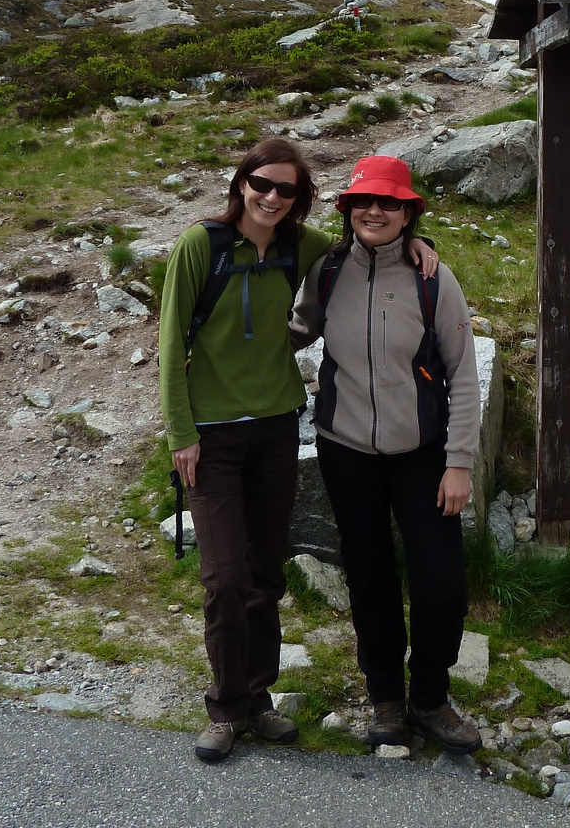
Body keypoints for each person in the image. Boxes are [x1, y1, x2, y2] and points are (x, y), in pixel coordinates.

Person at [157, 139, 437, 763]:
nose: (271, 197)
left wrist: (421, 245)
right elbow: (170, 344)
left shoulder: (300, 246)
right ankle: (226, 707)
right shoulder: (199, 246)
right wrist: (181, 435)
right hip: (212, 435)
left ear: (301, 200)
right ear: (241, 182)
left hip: (280, 425)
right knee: (225, 577)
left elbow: (366, 248)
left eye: (287, 190)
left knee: (264, 572)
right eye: (262, 183)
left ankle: (257, 701)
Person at [288, 155, 482, 754]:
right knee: (369, 578)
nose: (375, 211)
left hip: (422, 454)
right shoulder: (327, 270)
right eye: (363, 203)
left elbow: (463, 374)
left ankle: (430, 697)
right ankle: (387, 702)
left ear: (407, 213)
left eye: (389, 203)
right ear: (348, 210)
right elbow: (295, 333)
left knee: (441, 583)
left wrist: (459, 462)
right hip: (346, 451)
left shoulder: (432, 278)